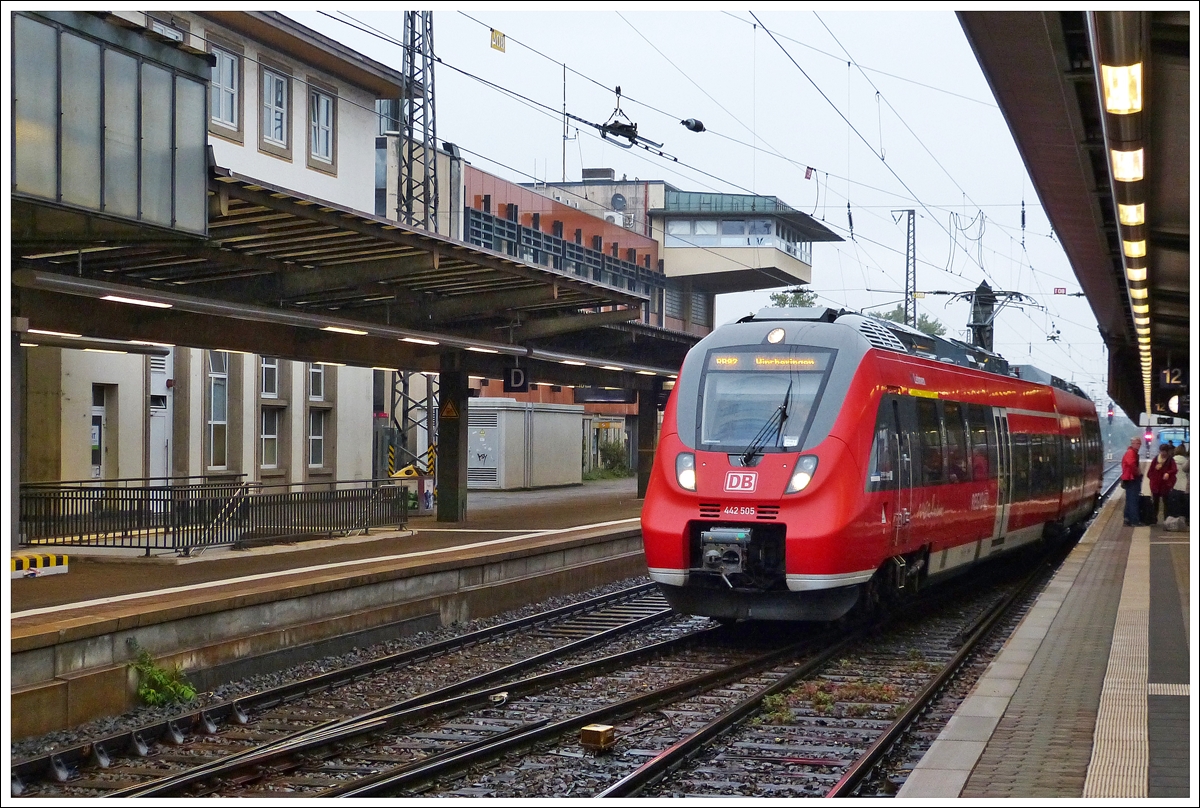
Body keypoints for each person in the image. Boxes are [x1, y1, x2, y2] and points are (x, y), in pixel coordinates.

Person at [1146, 443, 1178, 524]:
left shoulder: (1170, 460)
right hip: (1156, 485)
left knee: (1166, 502)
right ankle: (1154, 519)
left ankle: (1166, 519)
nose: (1163, 453)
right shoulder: (1155, 459)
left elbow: (1174, 470)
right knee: (1155, 502)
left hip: (1165, 485)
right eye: (1162, 451)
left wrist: (1168, 473)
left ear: (1167, 452)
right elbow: (1150, 472)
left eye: (1164, 451)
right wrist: (1153, 477)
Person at [1121, 436, 1144, 527]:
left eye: (1140, 444)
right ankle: (1134, 520)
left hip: (1129, 478)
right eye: (1137, 443)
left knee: (1130, 499)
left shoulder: (1132, 452)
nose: (1139, 445)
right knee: (1133, 500)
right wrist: (1137, 473)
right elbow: (1131, 464)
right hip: (1131, 478)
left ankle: (1127, 518)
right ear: (1132, 443)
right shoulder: (1131, 453)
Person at [1169, 445, 1189, 522]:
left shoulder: (1171, 461)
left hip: (1174, 486)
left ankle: (1173, 520)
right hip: (1185, 486)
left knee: (1174, 507)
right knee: (1184, 507)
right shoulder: (1187, 462)